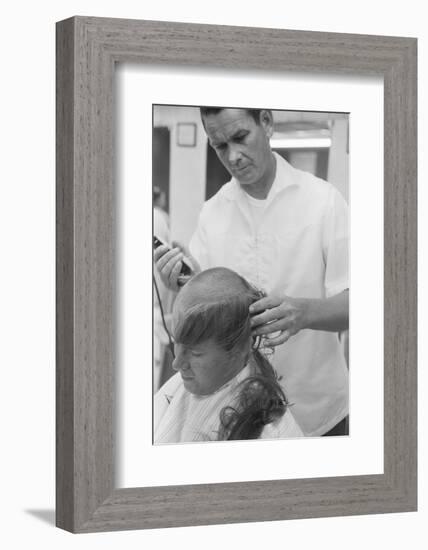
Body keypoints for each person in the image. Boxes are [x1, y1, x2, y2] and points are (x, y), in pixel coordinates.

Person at [154, 107, 349, 437]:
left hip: (318, 411)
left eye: (240, 138)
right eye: (219, 146)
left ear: (267, 122)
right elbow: (208, 298)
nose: (233, 156)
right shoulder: (212, 214)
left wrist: (304, 313)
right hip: (239, 417)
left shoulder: (324, 202)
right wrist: (180, 283)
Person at [154, 267, 303, 443]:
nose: (177, 364)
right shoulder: (189, 381)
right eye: (176, 342)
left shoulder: (268, 437)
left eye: (196, 353)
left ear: (239, 349)